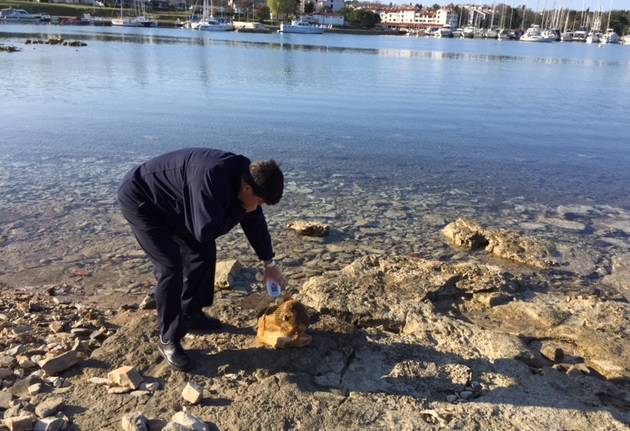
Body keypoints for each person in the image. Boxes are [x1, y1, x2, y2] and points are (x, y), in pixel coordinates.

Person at [117, 148, 285, 370]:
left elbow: (254, 224)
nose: (258, 207)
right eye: (260, 202)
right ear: (247, 188)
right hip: (142, 200)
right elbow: (204, 231)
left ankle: (191, 313)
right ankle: (168, 339)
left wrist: (269, 264)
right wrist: (242, 208)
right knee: (170, 267)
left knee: (203, 252)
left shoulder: (249, 177)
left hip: (176, 201)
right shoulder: (212, 179)